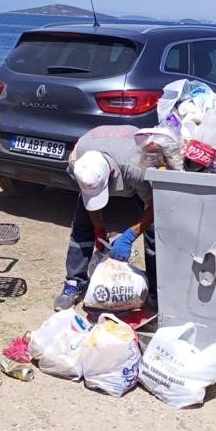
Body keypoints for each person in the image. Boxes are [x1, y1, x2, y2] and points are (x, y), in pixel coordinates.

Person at [54, 125, 156, 310]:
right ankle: (75, 282)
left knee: (154, 230)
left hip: (132, 172)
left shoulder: (136, 166)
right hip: (101, 156)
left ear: (110, 174)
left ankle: (156, 292)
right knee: (81, 225)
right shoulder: (77, 161)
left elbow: (155, 204)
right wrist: (98, 228)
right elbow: (87, 195)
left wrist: (130, 235)